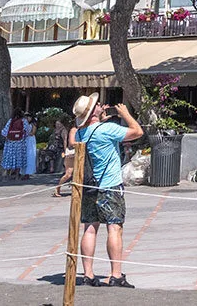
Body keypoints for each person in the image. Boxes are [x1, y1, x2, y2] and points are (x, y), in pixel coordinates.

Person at [74, 95, 143, 289]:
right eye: (96, 105)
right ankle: (116, 274)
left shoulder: (81, 133)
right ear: (92, 112)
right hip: (110, 185)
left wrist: (99, 117)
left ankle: (88, 274)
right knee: (114, 227)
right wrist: (125, 114)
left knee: (89, 227)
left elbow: (88, 131)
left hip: (89, 186)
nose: (99, 105)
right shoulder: (107, 130)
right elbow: (137, 132)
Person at [1, 113, 26, 179]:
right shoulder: (23, 120)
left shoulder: (10, 120)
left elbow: (4, 132)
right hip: (20, 143)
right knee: (18, 159)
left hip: (10, 143)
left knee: (9, 159)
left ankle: (6, 175)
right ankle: (17, 176)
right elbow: (27, 131)